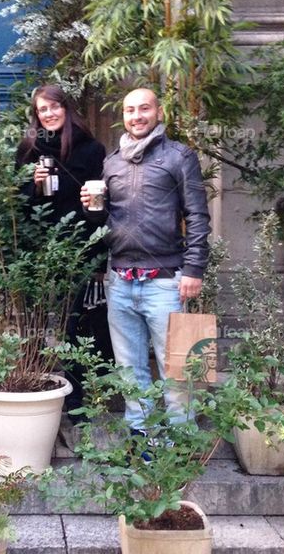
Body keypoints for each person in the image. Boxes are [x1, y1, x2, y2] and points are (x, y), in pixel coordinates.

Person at [80, 87, 210, 432]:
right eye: (129, 110)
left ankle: (180, 442)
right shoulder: (111, 162)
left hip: (166, 281)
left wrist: (194, 268)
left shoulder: (179, 157)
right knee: (129, 369)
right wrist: (92, 209)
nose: (136, 116)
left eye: (144, 109)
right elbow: (106, 222)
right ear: (122, 116)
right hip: (121, 280)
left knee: (177, 369)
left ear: (159, 111)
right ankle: (143, 438)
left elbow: (197, 215)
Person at [15, 84, 110, 421]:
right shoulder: (28, 149)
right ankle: (35, 396)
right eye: (42, 109)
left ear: (66, 109)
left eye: (54, 107)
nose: (49, 114)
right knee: (36, 325)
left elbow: (101, 210)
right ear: (36, 116)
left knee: (75, 327)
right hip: (39, 252)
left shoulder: (92, 150)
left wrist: (99, 256)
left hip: (78, 251)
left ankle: (77, 405)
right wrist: (31, 185)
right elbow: (19, 208)